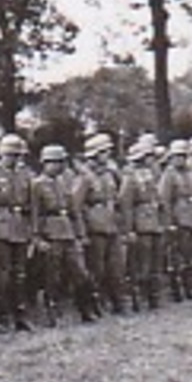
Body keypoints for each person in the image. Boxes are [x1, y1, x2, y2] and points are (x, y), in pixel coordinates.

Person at [0, 133, 36, 332]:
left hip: (20, 228)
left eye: (17, 155)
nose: (15, 159)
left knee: (20, 274)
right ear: (3, 154)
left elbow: (32, 205)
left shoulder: (25, 174)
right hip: (0, 229)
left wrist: (32, 231)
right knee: (2, 276)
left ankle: (20, 316)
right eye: (11, 155)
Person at [32, 143, 98, 324]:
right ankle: (52, 313)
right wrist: (37, 237)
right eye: (56, 162)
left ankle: (85, 309)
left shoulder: (63, 182)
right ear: (46, 163)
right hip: (50, 233)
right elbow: (35, 213)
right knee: (52, 276)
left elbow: (73, 210)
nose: (60, 166)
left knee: (80, 273)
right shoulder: (37, 185)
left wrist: (80, 234)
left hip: (68, 232)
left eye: (61, 162)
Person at [73, 132, 126, 315]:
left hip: (110, 224)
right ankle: (96, 302)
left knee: (116, 266)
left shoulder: (110, 173)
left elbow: (118, 195)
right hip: (94, 227)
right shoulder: (84, 177)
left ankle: (117, 302)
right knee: (97, 269)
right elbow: (76, 206)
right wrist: (82, 232)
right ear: (94, 154)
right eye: (104, 152)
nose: (108, 155)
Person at [119, 139, 165, 309]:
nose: (151, 159)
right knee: (141, 263)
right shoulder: (129, 177)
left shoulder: (151, 174)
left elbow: (158, 198)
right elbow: (126, 205)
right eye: (148, 156)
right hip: (140, 223)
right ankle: (138, 296)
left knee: (155, 260)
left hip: (154, 222)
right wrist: (129, 229)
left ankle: (154, 295)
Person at [159, 139, 192, 301]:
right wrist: (169, 222)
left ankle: (190, 287)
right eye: (177, 156)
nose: (180, 159)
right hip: (178, 218)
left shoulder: (190, 173)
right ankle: (176, 290)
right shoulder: (168, 175)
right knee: (178, 256)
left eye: (183, 156)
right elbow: (165, 201)